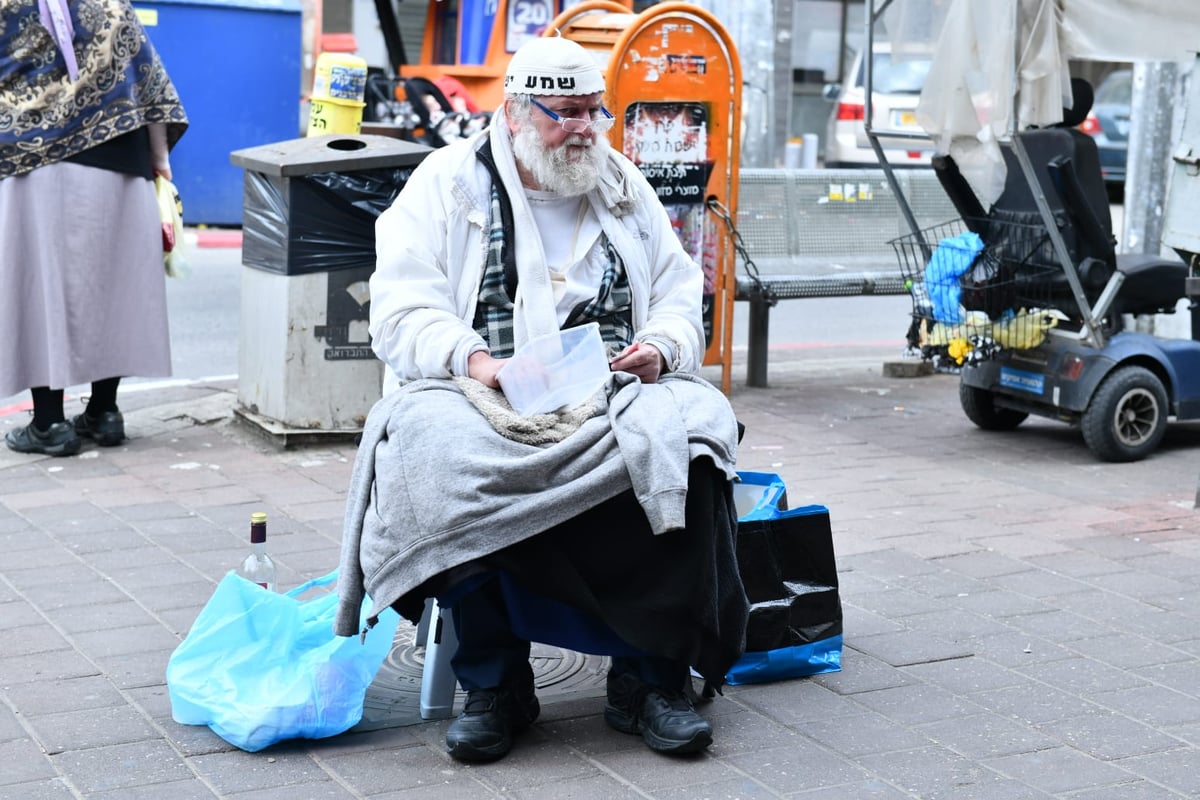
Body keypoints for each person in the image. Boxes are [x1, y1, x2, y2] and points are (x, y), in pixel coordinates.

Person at [335, 35, 747, 763]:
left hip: (616, 388)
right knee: (435, 450)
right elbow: (399, 310)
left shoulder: (621, 181)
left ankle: (650, 680)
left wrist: (661, 347)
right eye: (566, 114)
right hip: (482, 391)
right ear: (518, 110)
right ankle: (494, 684)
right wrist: (475, 360)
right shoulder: (447, 183)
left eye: (596, 111)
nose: (586, 128)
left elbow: (682, 292)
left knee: (689, 439)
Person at [0, 0, 188, 456]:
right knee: (111, 286)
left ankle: (49, 424)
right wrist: (160, 165)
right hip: (118, 162)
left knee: (40, 291)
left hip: (29, 164)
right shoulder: (112, 7)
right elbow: (152, 88)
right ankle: (105, 412)